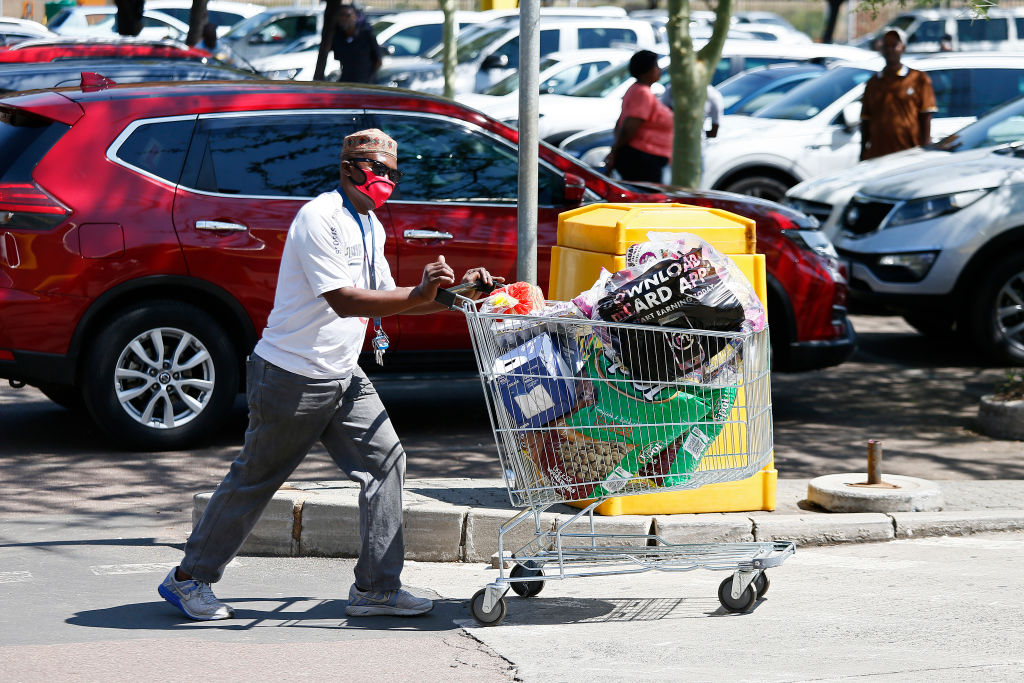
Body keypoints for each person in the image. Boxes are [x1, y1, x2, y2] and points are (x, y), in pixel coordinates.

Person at [158, 128, 501, 621]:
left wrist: (461, 293)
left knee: (387, 463)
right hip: (292, 375)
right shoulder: (318, 218)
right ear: (347, 168)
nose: (384, 179)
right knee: (256, 479)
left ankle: (376, 589)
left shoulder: (371, 226)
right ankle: (188, 579)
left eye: (392, 173)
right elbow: (344, 301)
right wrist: (423, 294)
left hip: (343, 373)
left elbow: (389, 300)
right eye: (375, 169)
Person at [860, 28, 937, 161]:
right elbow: (866, 120)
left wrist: (924, 150)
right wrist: (862, 152)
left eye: (894, 45)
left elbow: (926, 116)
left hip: (908, 154)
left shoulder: (918, 79)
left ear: (903, 48)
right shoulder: (873, 82)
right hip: (877, 156)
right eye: (886, 45)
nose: (889, 50)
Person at [604, 50, 674, 183]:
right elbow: (628, 127)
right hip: (642, 160)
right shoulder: (642, 93)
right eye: (656, 66)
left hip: (646, 159)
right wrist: (615, 152)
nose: (659, 70)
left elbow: (621, 123)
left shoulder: (637, 90)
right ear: (647, 70)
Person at [332, 3, 382, 83]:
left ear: (355, 17)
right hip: (347, 85)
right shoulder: (338, 38)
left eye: (347, 15)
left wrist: (369, 79)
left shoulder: (367, 35)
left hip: (366, 85)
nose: (344, 18)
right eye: (341, 15)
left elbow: (378, 61)